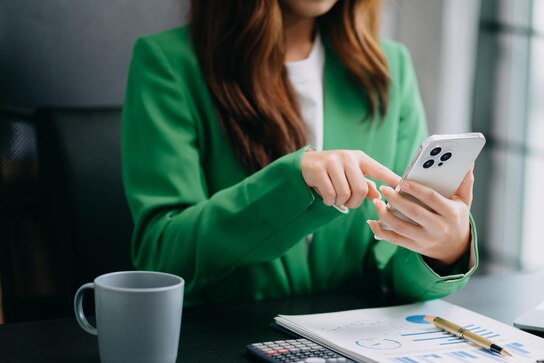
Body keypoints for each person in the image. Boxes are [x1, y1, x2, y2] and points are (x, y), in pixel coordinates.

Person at [121, 0, 478, 306]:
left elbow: (389, 270)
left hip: (353, 354)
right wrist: (294, 183)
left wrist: (444, 249)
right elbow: (162, 253)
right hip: (223, 353)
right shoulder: (168, 64)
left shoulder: (389, 68)